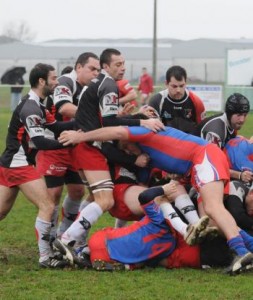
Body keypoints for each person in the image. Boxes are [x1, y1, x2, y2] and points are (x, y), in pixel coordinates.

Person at [58, 124, 253, 275]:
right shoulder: (147, 158)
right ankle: (248, 248)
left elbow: (116, 131)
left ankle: (240, 252)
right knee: (212, 219)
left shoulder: (144, 131)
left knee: (213, 207)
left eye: (126, 146)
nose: (128, 151)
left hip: (204, 157)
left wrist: (81, 136)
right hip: (200, 163)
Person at [53, 48, 164, 256]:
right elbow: (111, 123)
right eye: (117, 65)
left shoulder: (99, 84)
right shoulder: (109, 85)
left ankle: (74, 241)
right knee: (106, 200)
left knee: (96, 198)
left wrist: (137, 115)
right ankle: (66, 239)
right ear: (106, 67)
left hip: (85, 146)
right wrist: (143, 121)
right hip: (91, 147)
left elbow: (105, 119)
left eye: (123, 64)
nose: (122, 68)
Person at [0, 63, 74, 268]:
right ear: (41, 81)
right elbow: (41, 142)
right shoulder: (32, 108)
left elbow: (56, 126)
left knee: (1, 212)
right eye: (53, 78)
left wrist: (83, 124)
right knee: (48, 205)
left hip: (10, 163)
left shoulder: (38, 105)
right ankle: (45, 257)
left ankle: (48, 253)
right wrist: (68, 141)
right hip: (19, 164)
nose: (57, 82)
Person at [36, 52, 100, 239]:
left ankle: (63, 233)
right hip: (54, 145)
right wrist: (95, 116)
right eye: (92, 69)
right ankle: (49, 237)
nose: (96, 73)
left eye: (98, 69)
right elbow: (64, 108)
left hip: (75, 145)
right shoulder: (66, 82)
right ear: (79, 67)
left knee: (77, 191)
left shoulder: (91, 86)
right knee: (54, 193)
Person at [195, 93, 250, 181]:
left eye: (244, 115)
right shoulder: (215, 131)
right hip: (191, 171)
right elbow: (212, 165)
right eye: (239, 115)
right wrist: (239, 175)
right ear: (229, 113)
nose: (242, 120)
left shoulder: (231, 124)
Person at [148, 65, 206, 134]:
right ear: (166, 83)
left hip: (189, 142)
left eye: (181, 86)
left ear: (186, 83)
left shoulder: (196, 101)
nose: (178, 90)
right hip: (165, 141)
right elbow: (151, 129)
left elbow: (202, 128)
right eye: (174, 86)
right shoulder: (156, 101)